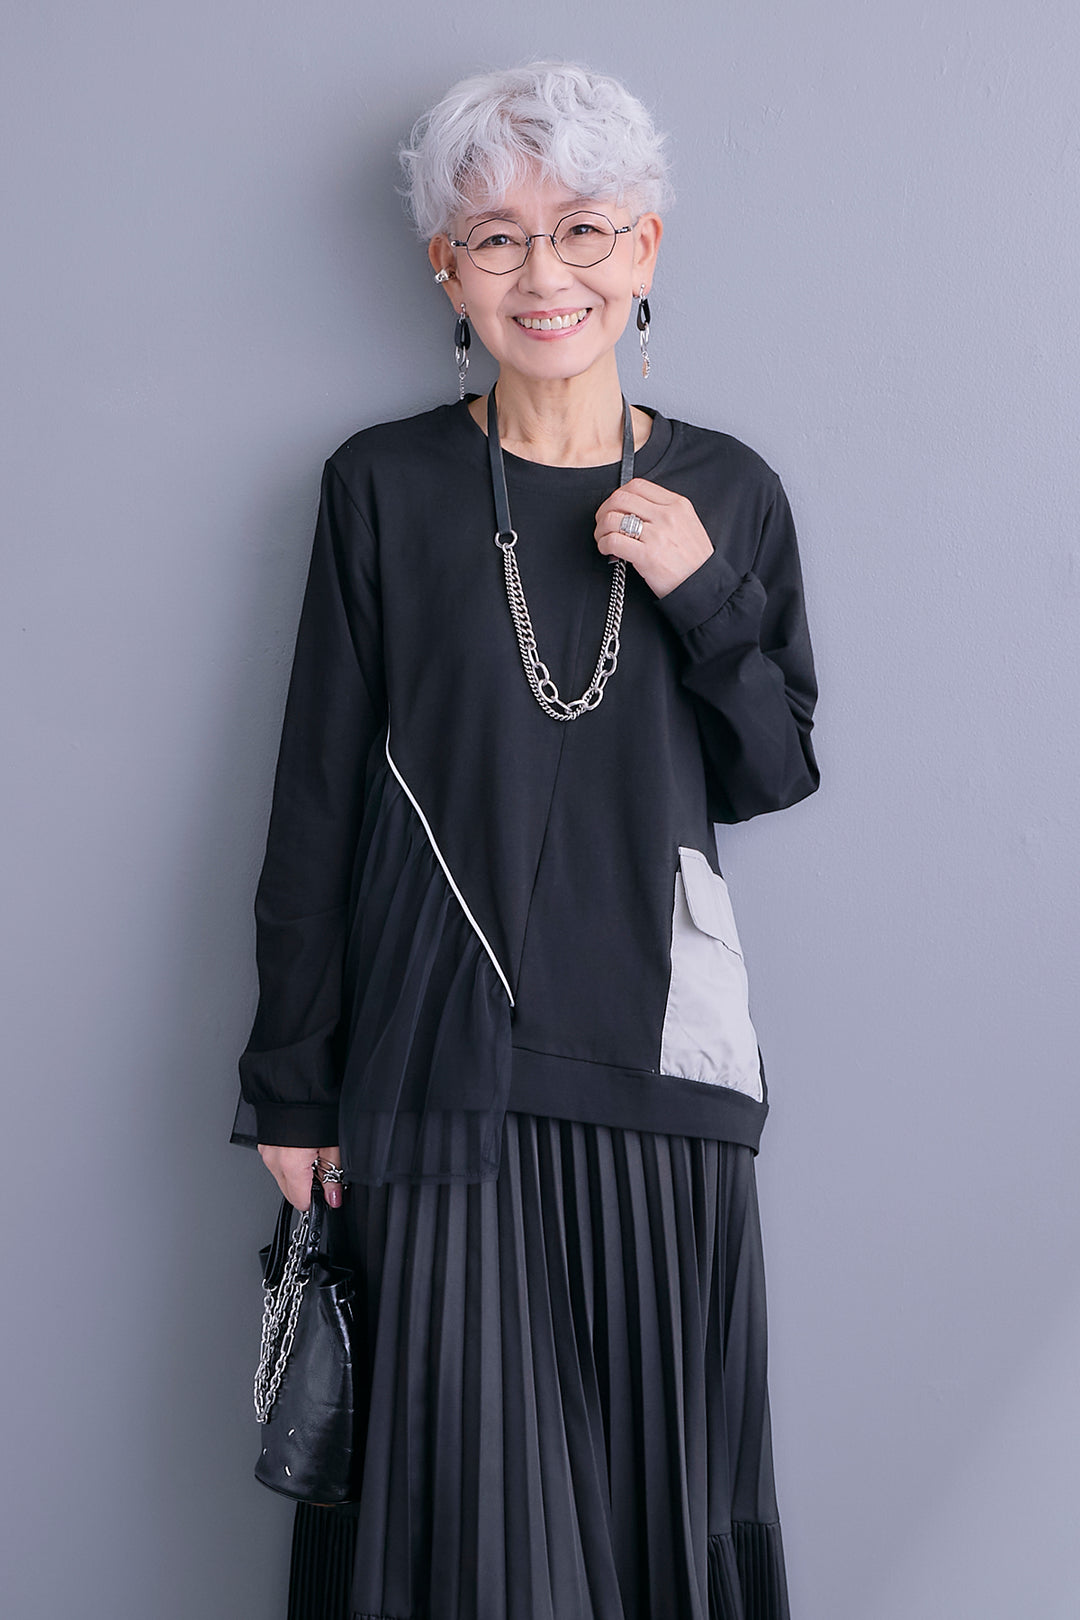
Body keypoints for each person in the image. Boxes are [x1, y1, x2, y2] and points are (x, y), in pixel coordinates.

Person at [232, 59, 818, 1620]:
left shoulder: (728, 492)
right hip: (436, 1069)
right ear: (449, 268)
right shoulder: (384, 487)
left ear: (645, 248)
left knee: (648, 1511)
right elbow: (315, 802)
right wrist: (291, 1081)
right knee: (470, 1537)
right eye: (496, 237)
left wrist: (701, 589)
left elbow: (773, 771)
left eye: (582, 229)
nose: (543, 273)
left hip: (659, 1072)